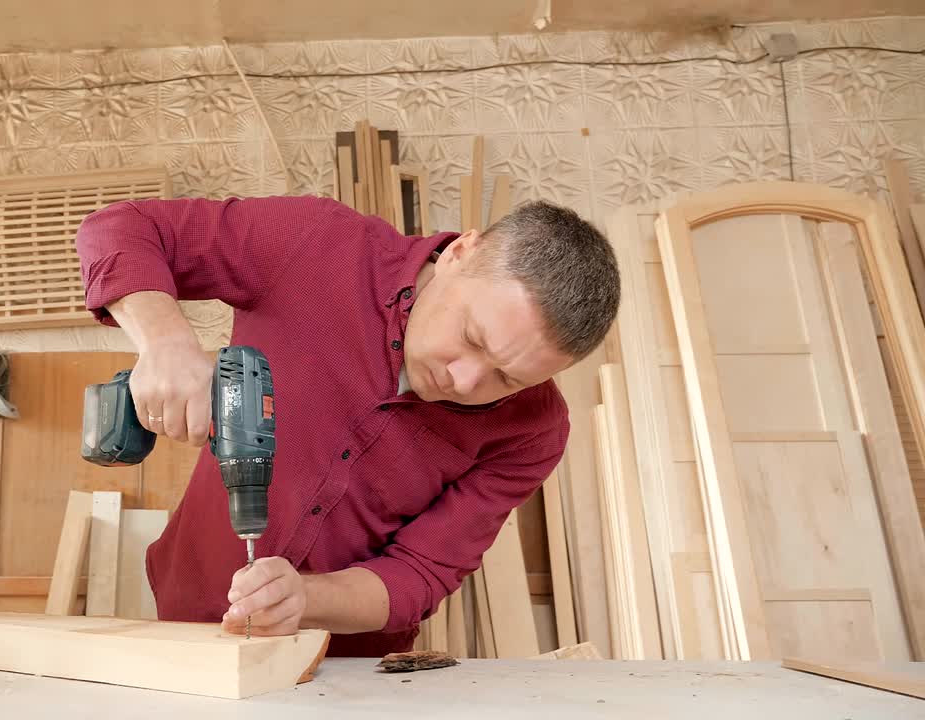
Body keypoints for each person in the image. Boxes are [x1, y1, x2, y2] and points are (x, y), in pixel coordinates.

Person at [75, 194, 620, 656]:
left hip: (346, 667)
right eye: (473, 338)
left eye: (506, 378)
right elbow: (122, 227)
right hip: (185, 622)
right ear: (460, 253)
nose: (464, 379)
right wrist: (165, 341)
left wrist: (306, 600)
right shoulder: (316, 243)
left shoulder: (534, 431)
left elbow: (420, 572)